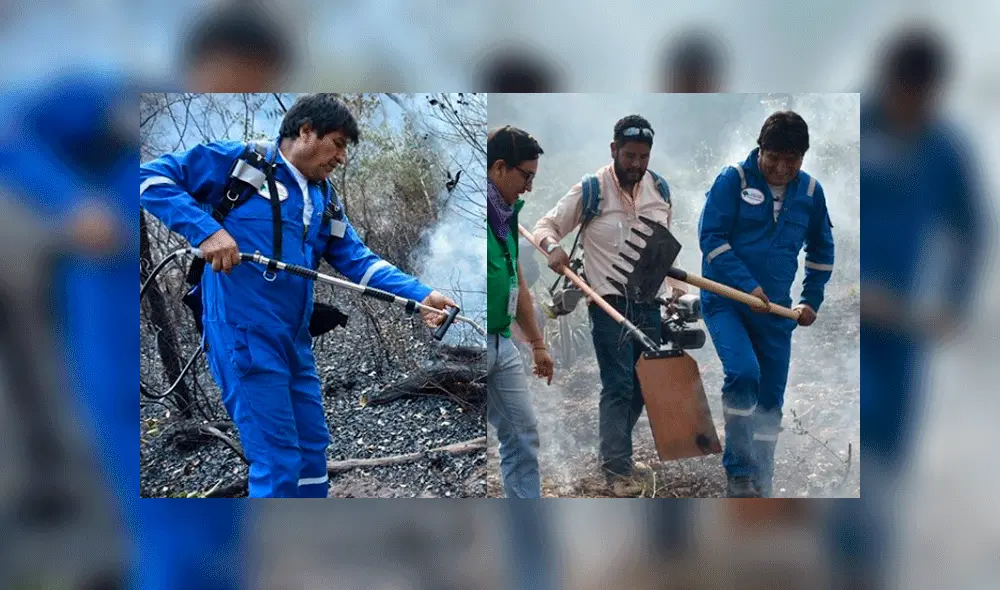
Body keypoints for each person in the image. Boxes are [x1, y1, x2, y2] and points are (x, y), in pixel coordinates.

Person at [140, 93, 457, 498]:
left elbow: (358, 260)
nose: (341, 158)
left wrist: (421, 294)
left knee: (311, 450)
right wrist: (206, 231)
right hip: (244, 338)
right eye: (338, 144)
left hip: (294, 341)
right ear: (306, 131)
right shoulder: (240, 166)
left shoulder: (324, 199)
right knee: (276, 458)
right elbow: (148, 178)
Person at [826, 28, 988, 587]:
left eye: (922, 98)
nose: (910, 107)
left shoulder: (944, 149)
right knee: (836, 444)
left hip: (901, 331)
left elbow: (971, 229)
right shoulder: (851, 128)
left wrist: (955, 304)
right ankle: (848, 565)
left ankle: (865, 570)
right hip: (837, 318)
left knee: (887, 457)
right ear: (889, 83)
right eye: (903, 94)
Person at [533, 115, 686, 497]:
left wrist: (675, 289)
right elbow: (544, 227)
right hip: (607, 302)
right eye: (630, 155)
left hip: (648, 303)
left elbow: (664, 245)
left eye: (643, 157)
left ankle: (617, 455)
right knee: (617, 385)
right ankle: (617, 471)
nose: (636, 164)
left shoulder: (660, 189)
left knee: (642, 387)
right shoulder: (591, 190)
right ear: (614, 150)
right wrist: (552, 250)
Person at [698, 110, 835, 498]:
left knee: (771, 398)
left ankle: (763, 476)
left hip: (777, 311)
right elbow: (712, 239)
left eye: (791, 160)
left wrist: (811, 300)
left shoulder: (809, 192)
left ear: (803, 158)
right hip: (727, 300)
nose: (780, 168)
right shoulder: (733, 180)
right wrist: (747, 286)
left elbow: (822, 251)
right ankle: (739, 472)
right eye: (773, 157)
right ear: (760, 150)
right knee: (743, 375)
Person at [486, 125, 554, 499]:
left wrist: (538, 344)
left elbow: (518, 282)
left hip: (503, 344)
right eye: (525, 176)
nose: (528, 187)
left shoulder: (505, 215)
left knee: (523, 433)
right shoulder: (473, 214)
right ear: (499, 168)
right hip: (475, 340)